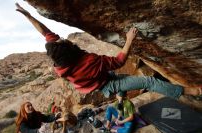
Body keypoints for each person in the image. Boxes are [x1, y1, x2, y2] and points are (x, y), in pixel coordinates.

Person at [15, 3, 202, 105]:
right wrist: (129, 39)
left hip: (98, 80)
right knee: (148, 82)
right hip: (106, 83)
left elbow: (45, 32)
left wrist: (28, 16)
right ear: (69, 50)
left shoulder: (61, 62)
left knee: (116, 79)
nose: (63, 39)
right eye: (64, 42)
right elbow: (119, 61)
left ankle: (120, 99)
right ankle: (191, 91)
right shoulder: (90, 61)